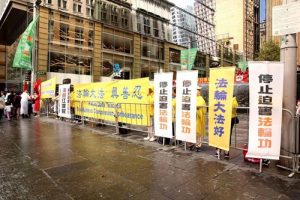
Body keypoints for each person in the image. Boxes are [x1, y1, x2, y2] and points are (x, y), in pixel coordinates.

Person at [195, 86, 207, 151]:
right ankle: (197, 144)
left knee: (197, 132)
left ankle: (197, 145)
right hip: (196, 118)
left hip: (197, 117)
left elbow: (204, 109)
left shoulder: (200, 99)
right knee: (197, 132)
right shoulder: (199, 99)